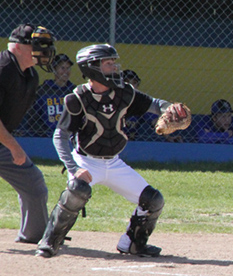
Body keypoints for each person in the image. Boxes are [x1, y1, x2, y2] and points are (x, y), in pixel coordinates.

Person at [36, 44, 184, 258]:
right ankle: (49, 242)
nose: (114, 67)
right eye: (108, 63)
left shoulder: (124, 93)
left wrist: (169, 108)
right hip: (85, 161)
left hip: (113, 162)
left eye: (114, 62)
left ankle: (133, 244)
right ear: (92, 68)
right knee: (78, 190)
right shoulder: (78, 99)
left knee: (153, 201)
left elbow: (154, 104)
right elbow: (60, 137)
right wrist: (74, 168)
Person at [0, 24, 57, 245]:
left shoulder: (30, 75)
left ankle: (34, 236)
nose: (43, 51)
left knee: (33, 184)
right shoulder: (3, 69)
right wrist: (14, 147)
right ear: (18, 47)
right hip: (5, 143)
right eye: (37, 45)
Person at [22, 53, 76, 136]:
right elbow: (33, 117)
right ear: (54, 69)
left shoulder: (73, 91)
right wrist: (45, 133)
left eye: (68, 68)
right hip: (46, 135)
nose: (66, 71)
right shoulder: (42, 91)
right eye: (62, 68)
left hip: (68, 135)